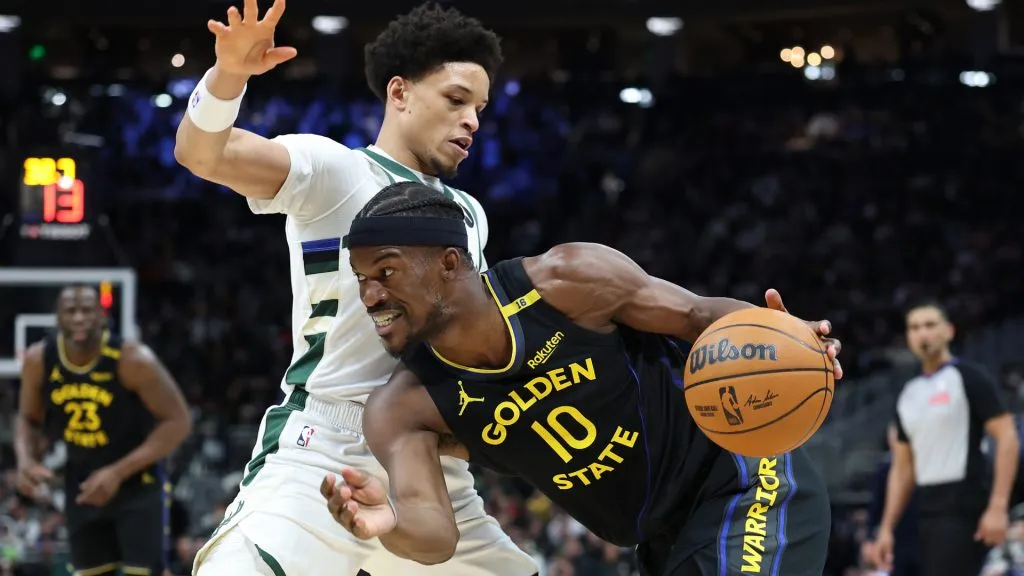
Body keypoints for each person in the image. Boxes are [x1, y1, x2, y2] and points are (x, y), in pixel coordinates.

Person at [173, 1, 537, 574]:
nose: (471, 120)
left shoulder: (468, 213)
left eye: (479, 109)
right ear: (400, 93)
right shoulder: (336, 171)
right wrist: (229, 75)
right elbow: (201, 153)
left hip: (426, 457)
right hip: (323, 446)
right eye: (455, 99)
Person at [320, 182, 845, 575]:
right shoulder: (405, 407)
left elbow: (698, 315)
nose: (370, 297)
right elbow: (433, 531)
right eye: (363, 280)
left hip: (743, 483)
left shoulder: (565, 282)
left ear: (450, 263)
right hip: (658, 539)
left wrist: (789, 337)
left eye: (385, 273)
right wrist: (388, 524)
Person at [15, 285, 192, 576]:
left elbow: (179, 422)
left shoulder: (132, 360)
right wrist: (25, 460)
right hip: (82, 484)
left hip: (138, 484)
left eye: (87, 310)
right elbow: (28, 418)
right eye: (71, 311)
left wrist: (117, 472)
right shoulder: (38, 361)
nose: (80, 317)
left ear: (101, 315)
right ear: (58, 318)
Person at [870, 300, 1019, 576]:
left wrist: (998, 506)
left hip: (963, 506)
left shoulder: (969, 377)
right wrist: (887, 528)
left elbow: (1008, 437)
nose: (922, 333)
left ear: (948, 331)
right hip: (921, 509)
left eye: (929, 325)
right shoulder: (908, 393)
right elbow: (902, 468)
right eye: (914, 327)